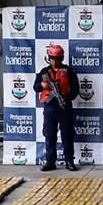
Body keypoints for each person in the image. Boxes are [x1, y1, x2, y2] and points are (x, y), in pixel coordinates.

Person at [33, 44, 80, 172]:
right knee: (50, 134)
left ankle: (69, 161)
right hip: (50, 108)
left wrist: (66, 97)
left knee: (67, 134)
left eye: (58, 58)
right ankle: (50, 161)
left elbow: (76, 90)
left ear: (62, 58)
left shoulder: (69, 71)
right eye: (53, 58)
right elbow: (35, 87)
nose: (55, 61)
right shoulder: (44, 72)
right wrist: (42, 85)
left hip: (65, 107)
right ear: (49, 58)